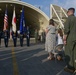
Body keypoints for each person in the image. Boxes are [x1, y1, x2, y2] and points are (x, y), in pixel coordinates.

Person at [63, 8, 76, 73]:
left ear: (68, 12)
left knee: (68, 53)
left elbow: (66, 31)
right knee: (74, 53)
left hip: (70, 39)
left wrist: (64, 39)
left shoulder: (68, 19)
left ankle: (70, 67)